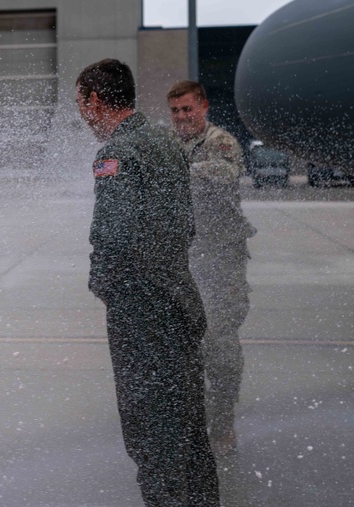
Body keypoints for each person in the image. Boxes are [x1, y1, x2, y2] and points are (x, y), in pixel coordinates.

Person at [75, 60, 219, 506]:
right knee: (190, 433)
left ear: (96, 101)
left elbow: (113, 239)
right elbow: (185, 227)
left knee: (153, 437)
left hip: (143, 316)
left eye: (80, 102)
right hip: (178, 301)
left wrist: (106, 287)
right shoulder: (165, 141)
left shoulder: (117, 154)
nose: (81, 114)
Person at [167, 80, 256, 456]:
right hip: (183, 260)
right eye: (175, 111)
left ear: (203, 107)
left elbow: (223, 175)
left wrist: (175, 173)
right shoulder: (171, 145)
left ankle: (221, 425)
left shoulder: (221, 142)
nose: (182, 117)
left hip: (220, 259)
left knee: (219, 344)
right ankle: (190, 421)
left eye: (187, 109)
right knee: (181, 347)